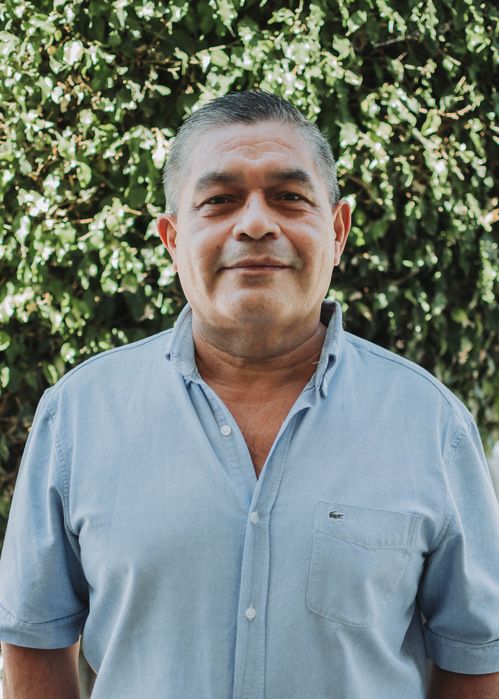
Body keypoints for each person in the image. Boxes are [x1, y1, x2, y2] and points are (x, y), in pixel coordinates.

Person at [1, 90, 498, 699]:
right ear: (172, 239)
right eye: (219, 200)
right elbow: (33, 642)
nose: (256, 224)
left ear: (337, 231)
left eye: (289, 197)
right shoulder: (78, 418)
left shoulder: (431, 425)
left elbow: (476, 657)